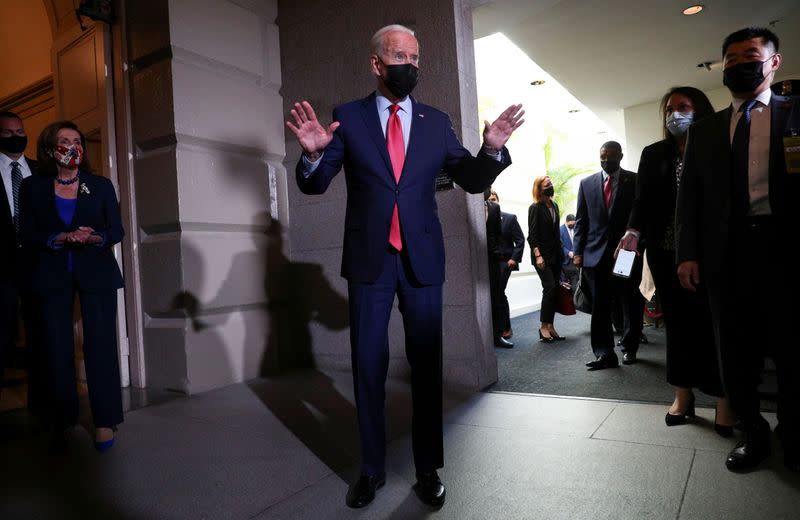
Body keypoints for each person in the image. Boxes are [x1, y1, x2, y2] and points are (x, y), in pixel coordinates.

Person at [285, 25, 524, 508]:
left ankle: (428, 467)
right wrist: (311, 157)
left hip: (422, 259)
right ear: (377, 63)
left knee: (426, 366)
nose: (411, 65)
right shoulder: (348, 118)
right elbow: (316, 185)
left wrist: (492, 149)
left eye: (416, 57)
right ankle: (370, 469)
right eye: (400, 56)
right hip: (371, 260)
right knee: (368, 367)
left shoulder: (437, 122)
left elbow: (473, 180)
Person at [676, 27, 800, 473]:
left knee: (791, 347)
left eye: (750, 54)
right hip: (725, 255)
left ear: (774, 61)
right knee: (734, 349)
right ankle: (754, 433)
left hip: (786, 251)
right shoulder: (707, 130)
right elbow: (688, 196)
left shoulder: (796, 112)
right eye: (730, 57)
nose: (738, 63)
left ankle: (794, 431)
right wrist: (686, 253)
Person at [618, 86, 734, 435]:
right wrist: (632, 232)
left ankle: (724, 401)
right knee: (679, 327)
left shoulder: (720, 146)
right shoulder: (654, 154)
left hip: (711, 251)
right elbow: (641, 203)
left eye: (683, 106)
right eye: (670, 108)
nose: (675, 114)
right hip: (667, 252)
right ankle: (683, 396)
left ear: (700, 111)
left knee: (715, 326)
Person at [19, 121, 125, 453]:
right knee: (56, 347)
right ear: (50, 149)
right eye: (64, 141)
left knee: (100, 345)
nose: (72, 146)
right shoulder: (32, 187)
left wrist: (95, 237)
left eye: (77, 140)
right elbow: (26, 234)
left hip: (96, 272)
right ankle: (63, 420)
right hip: (51, 274)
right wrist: (59, 237)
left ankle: (105, 420)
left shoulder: (101, 184)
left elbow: (116, 230)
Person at [573, 142, 641, 369]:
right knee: (600, 306)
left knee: (628, 300)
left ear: (620, 156)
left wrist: (641, 242)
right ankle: (605, 354)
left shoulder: (635, 180)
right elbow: (581, 221)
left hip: (625, 254)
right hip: (596, 255)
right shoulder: (587, 184)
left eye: (611, 157)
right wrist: (578, 252)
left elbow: (643, 216)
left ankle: (630, 346)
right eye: (603, 157)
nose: (606, 161)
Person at [0, 111, 46, 414]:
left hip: (38, 266)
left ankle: (43, 409)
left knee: (42, 338)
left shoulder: (42, 171)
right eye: (7, 132)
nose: (16, 135)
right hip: (1, 269)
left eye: (20, 130)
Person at [527, 175, 565, 343]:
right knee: (549, 287)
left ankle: (550, 326)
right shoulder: (535, 208)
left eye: (551, 183)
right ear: (539, 188)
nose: (551, 186)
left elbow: (556, 233)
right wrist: (538, 256)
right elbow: (532, 235)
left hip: (556, 255)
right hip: (541, 256)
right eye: (547, 184)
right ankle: (543, 326)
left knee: (554, 289)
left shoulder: (554, 205)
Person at [488, 190, 524, 340]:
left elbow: (520, 240)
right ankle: (496, 328)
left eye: (494, 199)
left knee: (498, 292)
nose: (492, 202)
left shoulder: (510, 218)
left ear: (498, 200)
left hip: (505, 263)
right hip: (489, 262)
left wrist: (514, 259)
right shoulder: (484, 219)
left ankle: (505, 327)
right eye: (489, 200)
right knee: (495, 294)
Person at [485, 190, 513, 348]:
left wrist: (500, 255)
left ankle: (498, 335)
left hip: (494, 260)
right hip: (474, 256)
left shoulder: (494, 209)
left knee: (496, 297)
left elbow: (497, 235)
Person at [559, 213, 579, 290]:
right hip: (565, 262)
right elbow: (560, 246)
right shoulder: (560, 230)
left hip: (575, 261)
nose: (573, 226)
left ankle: (575, 300)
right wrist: (568, 252)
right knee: (566, 286)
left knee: (575, 283)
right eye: (571, 224)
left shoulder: (575, 229)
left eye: (574, 224)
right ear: (566, 222)